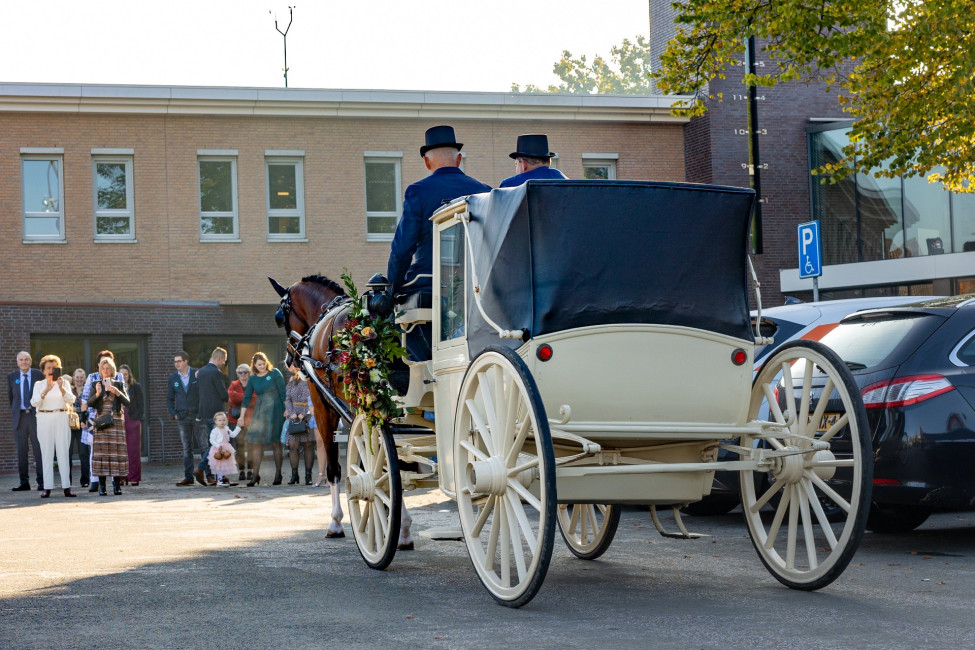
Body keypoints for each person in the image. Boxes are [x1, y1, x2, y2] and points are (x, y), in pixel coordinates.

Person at [387, 125, 491, 360]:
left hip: (430, 285)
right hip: (477, 286)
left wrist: (392, 288)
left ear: (426, 162)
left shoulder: (418, 191)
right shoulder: (485, 192)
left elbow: (403, 249)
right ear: (459, 159)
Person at [30, 355, 77, 498]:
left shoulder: (64, 383)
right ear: (43, 370)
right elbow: (34, 403)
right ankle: (47, 487)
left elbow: (72, 399)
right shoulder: (39, 384)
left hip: (62, 417)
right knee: (46, 453)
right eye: (48, 368)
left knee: (63, 452)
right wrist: (46, 390)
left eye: (54, 368)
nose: (51, 370)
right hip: (44, 418)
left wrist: (62, 389)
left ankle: (66, 487)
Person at [238, 352, 286, 487]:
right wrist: (241, 417)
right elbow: (247, 398)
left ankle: (278, 474)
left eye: (264, 363)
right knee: (256, 444)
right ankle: (255, 475)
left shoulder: (275, 373)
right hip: (260, 412)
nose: (262, 366)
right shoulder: (253, 378)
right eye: (259, 364)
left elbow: (283, 392)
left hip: (276, 411)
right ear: (254, 365)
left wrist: (287, 409)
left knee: (276, 443)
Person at [81, 350, 124, 493]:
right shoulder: (92, 377)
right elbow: (85, 398)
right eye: (103, 362)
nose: (106, 367)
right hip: (96, 418)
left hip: (114, 417)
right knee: (96, 450)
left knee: (114, 450)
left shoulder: (119, 377)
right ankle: (95, 481)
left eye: (109, 363)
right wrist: (83, 417)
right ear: (99, 363)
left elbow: (125, 398)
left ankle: (114, 481)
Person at [7, 351, 44, 491]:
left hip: (35, 417)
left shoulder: (37, 375)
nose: (23, 362)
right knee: (22, 451)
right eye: (21, 360)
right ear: (17, 362)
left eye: (26, 359)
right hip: (20, 418)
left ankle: (42, 482)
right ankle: (24, 483)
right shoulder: (11, 377)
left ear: (30, 361)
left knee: (38, 450)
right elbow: (11, 398)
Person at [194, 347, 229, 486]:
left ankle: (216, 475)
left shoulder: (201, 372)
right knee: (218, 443)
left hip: (205, 413)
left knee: (214, 444)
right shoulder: (216, 372)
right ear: (219, 358)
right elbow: (223, 395)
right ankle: (202, 469)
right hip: (217, 414)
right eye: (224, 361)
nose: (224, 364)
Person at [167, 351, 201, 487]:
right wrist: (173, 413)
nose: (177, 364)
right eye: (175, 361)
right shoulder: (173, 378)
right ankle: (189, 477)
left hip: (197, 415)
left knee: (204, 445)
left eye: (179, 361)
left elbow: (203, 393)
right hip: (181, 417)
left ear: (186, 361)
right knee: (187, 448)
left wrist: (201, 411)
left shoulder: (197, 374)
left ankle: (209, 476)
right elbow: (169, 398)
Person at [284, 365, 316, 486]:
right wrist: (292, 413)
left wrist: (304, 413)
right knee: (293, 446)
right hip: (294, 416)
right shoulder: (293, 380)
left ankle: (308, 475)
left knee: (308, 445)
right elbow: (287, 399)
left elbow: (314, 398)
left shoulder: (311, 381)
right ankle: (294, 475)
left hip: (308, 414)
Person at [499, 134, 568, 188]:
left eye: (516, 164)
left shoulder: (510, 185)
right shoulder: (569, 183)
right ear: (549, 163)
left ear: (523, 164)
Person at [228, 363, 255, 481]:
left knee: (250, 446)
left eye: (245, 372)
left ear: (249, 373)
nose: (243, 374)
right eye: (240, 372)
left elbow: (255, 398)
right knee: (239, 447)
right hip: (236, 420)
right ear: (237, 374)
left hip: (250, 419)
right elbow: (232, 398)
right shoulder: (233, 384)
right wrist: (247, 397)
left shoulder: (253, 383)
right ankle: (241, 471)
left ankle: (250, 470)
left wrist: (241, 397)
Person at [119, 364, 144, 486]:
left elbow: (141, 404)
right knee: (121, 450)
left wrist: (138, 419)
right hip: (119, 419)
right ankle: (122, 477)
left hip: (132, 419)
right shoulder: (115, 387)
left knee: (133, 450)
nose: (123, 376)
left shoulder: (136, 387)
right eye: (121, 374)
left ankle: (134, 477)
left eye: (125, 374)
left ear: (129, 375)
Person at [206, 411, 241, 487]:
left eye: (223, 420)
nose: (222, 422)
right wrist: (218, 445)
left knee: (224, 464)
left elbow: (233, 435)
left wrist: (238, 427)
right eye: (219, 420)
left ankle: (222, 479)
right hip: (218, 449)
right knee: (220, 465)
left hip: (226, 448)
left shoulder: (227, 428)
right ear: (215, 421)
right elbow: (211, 440)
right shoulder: (214, 430)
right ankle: (219, 480)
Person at [69, 368, 90, 487]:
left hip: (83, 424)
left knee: (83, 453)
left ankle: (85, 480)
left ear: (85, 378)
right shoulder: (69, 389)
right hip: (70, 424)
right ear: (73, 377)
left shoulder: (87, 390)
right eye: (77, 377)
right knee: (68, 453)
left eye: (81, 377)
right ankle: (68, 481)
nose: (79, 379)